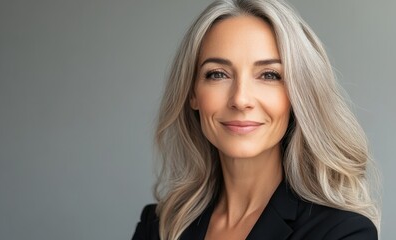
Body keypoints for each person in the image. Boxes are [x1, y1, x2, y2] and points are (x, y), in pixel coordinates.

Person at [132, 0, 381, 239]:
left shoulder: (341, 232)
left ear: (298, 95)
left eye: (269, 75)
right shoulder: (159, 226)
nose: (240, 99)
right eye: (218, 74)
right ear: (192, 93)